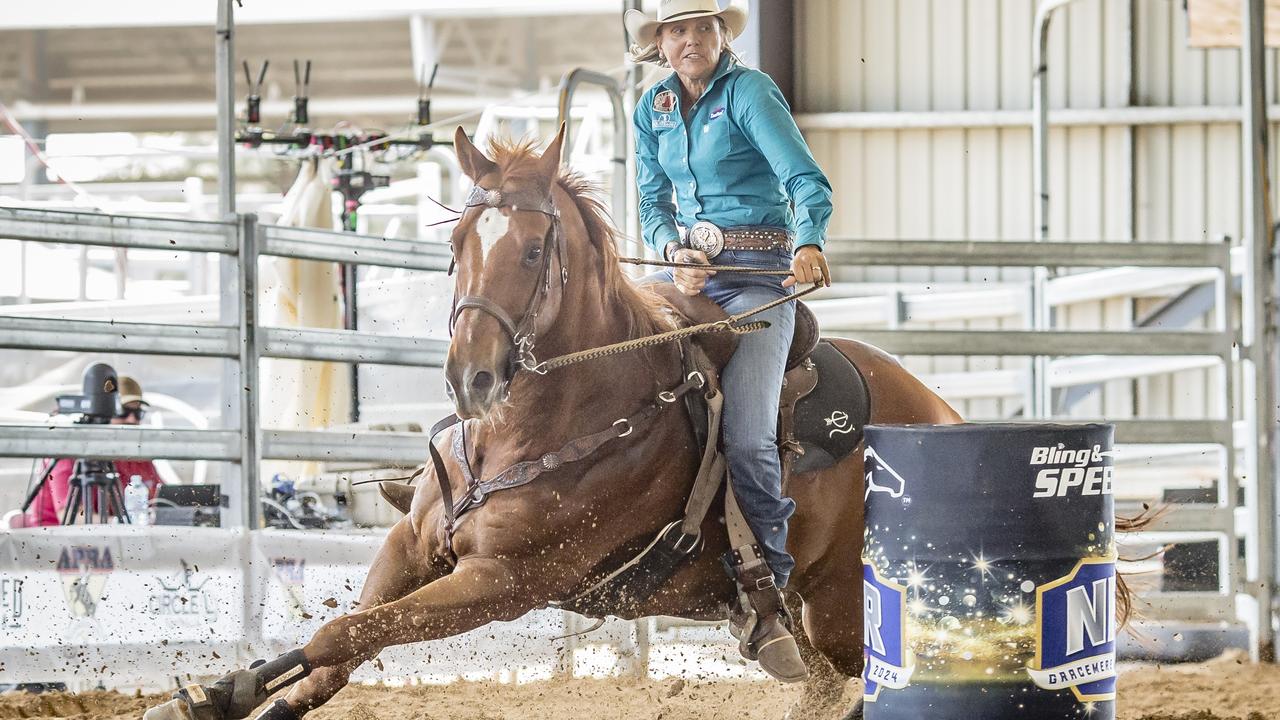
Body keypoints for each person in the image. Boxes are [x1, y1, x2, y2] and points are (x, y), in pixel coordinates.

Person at [626, 0, 833, 683]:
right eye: (677, 30)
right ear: (661, 42)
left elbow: (802, 177)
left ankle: (766, 587)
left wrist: (809, 240)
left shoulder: (750, 92)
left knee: (747, 433)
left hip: (759, 277)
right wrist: (668, 247)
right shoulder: (652, 105)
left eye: (702, 28)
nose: (690, 40)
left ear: (721, 36)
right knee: (614, 351)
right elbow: (653, 202)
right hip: (684, 275)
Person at [23, 375, 165, 526]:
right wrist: (125, 523)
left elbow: (163, 501)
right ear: (103, 413)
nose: (132, 420)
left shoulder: (135, 455)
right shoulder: (70, 450)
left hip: (114, 541)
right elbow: (71, 517)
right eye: (123, 411)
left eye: (137, 413)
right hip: (55, 543)